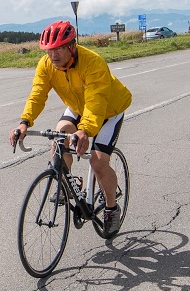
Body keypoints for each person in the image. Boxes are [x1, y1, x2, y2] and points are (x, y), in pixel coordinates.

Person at [8, 21, 133, 229]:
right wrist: (24, 123)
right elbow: (37, 95)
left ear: (71, 46)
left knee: (98, 162)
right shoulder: (46, 64)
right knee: (59, 139)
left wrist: (84, 130)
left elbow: (96, 102)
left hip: (109, 109)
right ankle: (70, 183)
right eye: (49, 50)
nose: (53, 55)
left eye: (58, 49)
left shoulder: (93, 62)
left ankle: (111, 209)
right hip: (77, 106)